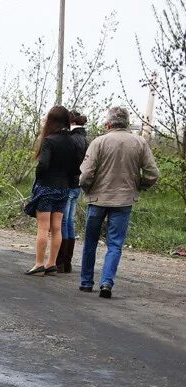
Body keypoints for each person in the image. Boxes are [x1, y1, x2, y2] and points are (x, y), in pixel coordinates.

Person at [78, 106, 160, 299]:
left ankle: (86, 282)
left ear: (108, 123)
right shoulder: (140, 143)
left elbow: (86, 174)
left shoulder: (99, 142)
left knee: (90, 241)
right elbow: (153, 173)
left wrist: (87, 188)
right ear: (128, 123)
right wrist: (139, 185)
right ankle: (106, 282)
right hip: (124, 200)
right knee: (115, 244)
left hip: (98, 199)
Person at [23, 105, 81, 276]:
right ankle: (52, 263)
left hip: (47, 186)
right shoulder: (73, 141)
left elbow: (43, 165)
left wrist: (39, 177)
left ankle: (39, 263)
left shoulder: (49, 140)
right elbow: (76, 168)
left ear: (51, 120)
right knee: (57, 228)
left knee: (43, 228)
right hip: (64, 188)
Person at [56, 111, 89, 273]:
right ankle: (66, 261)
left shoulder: (71, 139)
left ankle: (61, 260)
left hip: (67, 183)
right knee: (70, 221)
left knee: (62, 221)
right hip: (78, 184)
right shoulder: (85, 139)